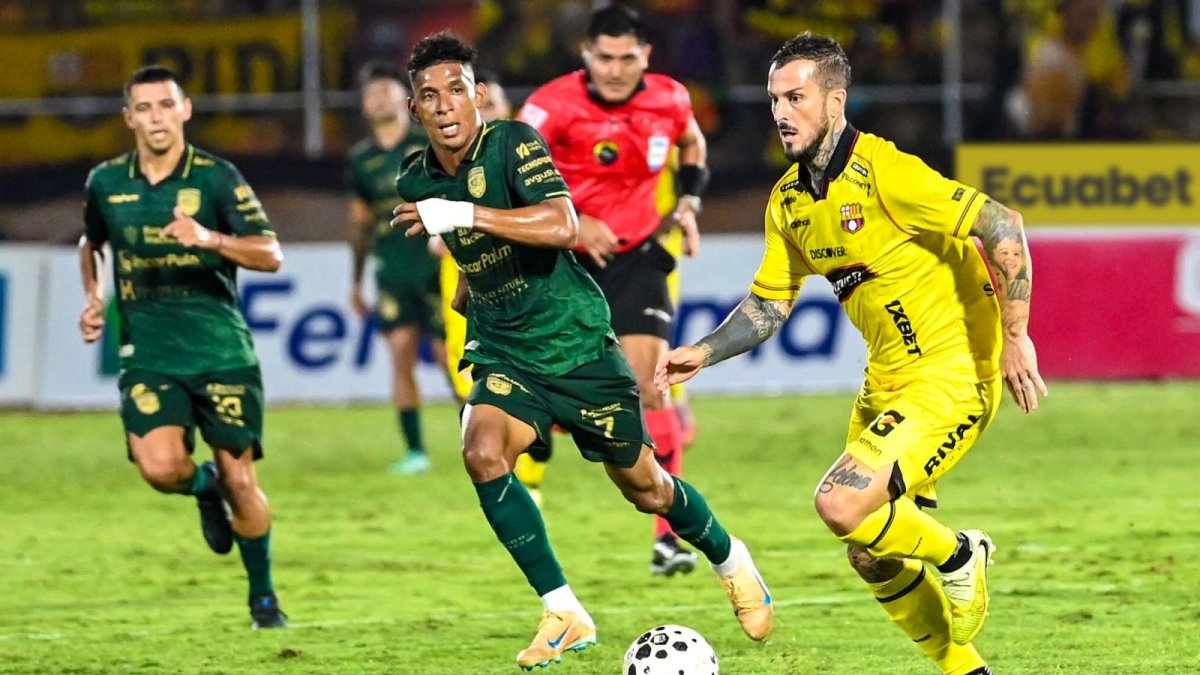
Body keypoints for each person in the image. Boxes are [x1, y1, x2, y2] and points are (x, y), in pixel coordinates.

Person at [656, 33, 1049, 675]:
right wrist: (703, 351)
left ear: (834, 101)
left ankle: (958, 556)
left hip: (952, 376)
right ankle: (967, 671)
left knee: (840, 504)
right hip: (885, 386)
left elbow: (1002, 225)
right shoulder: (788, 200)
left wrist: (1015, 336)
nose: (781, 113)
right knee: (870, 551)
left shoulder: (887, 173)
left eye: (797, 98)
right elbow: (768, 306)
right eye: (775, 99)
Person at [392, 32, 772, 670]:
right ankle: (564, 610)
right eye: (429, 96)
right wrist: (467, 285)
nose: (445, 105)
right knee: (482, 451)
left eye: (456, 89)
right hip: (505, 350)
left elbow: (563, 224)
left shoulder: (512, 144)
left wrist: (461, 216)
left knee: (645, 486)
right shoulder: (415, 176)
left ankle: (733, 560)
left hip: (574, 343)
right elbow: (469, 255)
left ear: (477, 95)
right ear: (415, 110)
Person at [78, 65, 287, 628]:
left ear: (185, 110)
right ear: (129, 119)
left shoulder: (217, 179)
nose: (156, 118)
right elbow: (90, 242)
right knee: (159, 468)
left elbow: (271, 254)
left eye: (165, 105)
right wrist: (93, 296)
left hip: (220, 351)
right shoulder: (105, 183)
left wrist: (210, 238)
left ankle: (263, 598)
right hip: (148, 350)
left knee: (243, 482)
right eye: (143, 108)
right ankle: (203, 486)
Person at [515, 3, 708, 577]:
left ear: (645, 56)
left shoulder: (670, 98)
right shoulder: (550, 106)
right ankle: (529, 486)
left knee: (651, 387)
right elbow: (510, 167)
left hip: (637, 256)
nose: (617, 69)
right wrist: (572, 219)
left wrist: (689, 203)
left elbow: (692, 144)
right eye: (606, 57)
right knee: (543, 391)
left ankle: (667, 537)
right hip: (563, 261)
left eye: (628, 57)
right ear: (586, 55)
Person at [347, 60, 446, 475]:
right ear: (365, 106)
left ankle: (482, 438)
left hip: (437, 266)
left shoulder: (429, 142)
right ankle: (415, 451)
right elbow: (360, 223)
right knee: (400, 356)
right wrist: (355, 282)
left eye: (387, 91)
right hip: (393, 269)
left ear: (403, 100)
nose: (379, 100)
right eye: (373, 94)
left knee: (452, 359)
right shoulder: (361, 159)